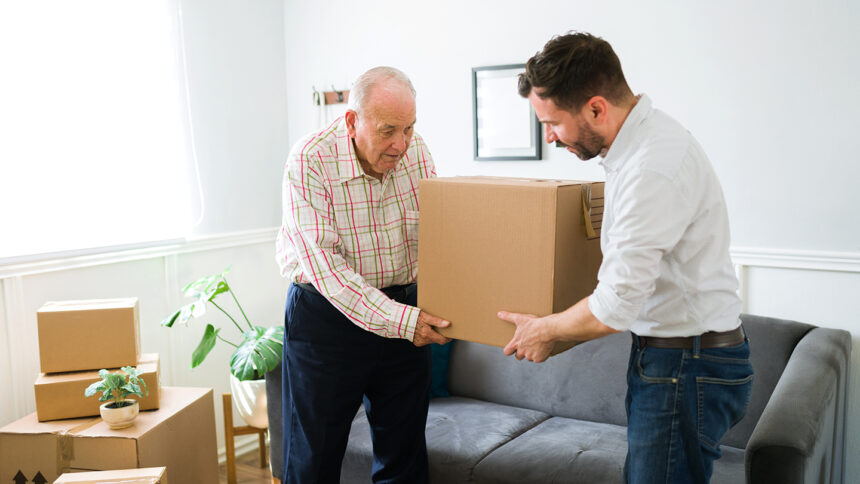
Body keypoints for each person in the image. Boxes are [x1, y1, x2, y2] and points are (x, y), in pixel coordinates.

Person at [498, 32, 754, 484]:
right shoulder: (637, 149)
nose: (550, 137)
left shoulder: (650, 167)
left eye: (553, 122)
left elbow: (615, 306)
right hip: (676, 361)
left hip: (685, 367)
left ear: (596, 108)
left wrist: (545, 329)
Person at [276, 66, 451, 483]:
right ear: (352, 122)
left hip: (403, 311)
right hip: (326, 318)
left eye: (409, 128)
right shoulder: (309, 160)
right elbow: (328, 271)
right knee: (314, 459)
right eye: (389, 130)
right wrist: (404, 321)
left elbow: (440, 238)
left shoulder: (417, 152)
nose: (401, 144)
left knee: (404, 459)